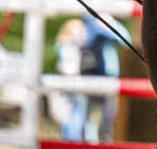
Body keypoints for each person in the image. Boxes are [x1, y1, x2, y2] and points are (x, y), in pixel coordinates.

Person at [79, 13, 131, 142]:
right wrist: (102, 25)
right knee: (88, 114)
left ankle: (106, 141)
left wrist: (112, 24)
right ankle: (87, 143)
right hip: (91, 73)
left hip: (109, 75)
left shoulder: (109, 28)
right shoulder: (90, 24)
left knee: (109, 115)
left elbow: (126, 40)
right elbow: (86, 39)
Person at [53, 18, 88, 141]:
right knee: (76, 113)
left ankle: (69, 140)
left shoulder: (61, 45)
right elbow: (68, 66)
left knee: (68, 113)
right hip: (71, 79)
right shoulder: (70, 46)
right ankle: (73, 141)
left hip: (66, 79)